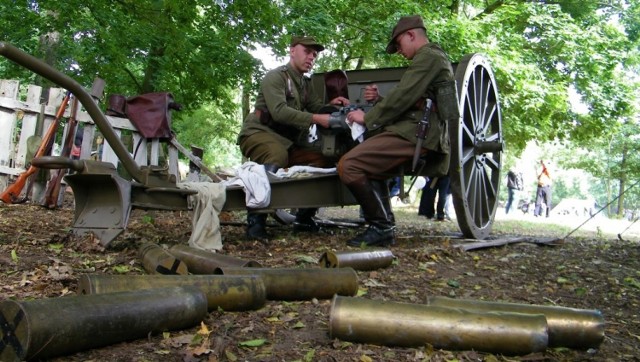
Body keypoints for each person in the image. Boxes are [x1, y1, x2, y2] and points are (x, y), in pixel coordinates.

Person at [337, 15, 454, 247]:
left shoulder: (429, 57)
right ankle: (384, 228)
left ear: (411, 35)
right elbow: (412, 98)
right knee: (372, 170)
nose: (399, 51)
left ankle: (381, 227)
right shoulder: (428, 59)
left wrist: (368, 118)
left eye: (399, 45)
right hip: (413, 129)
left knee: (349, 166)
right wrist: (380, 99)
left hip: (417, 133)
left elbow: (403, 97)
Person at [237, 35, 350, 241]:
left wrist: (333, 105)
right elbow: (279, 112)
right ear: (292, 51)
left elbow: (316, 107)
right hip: (258, 133)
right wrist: (318, 118)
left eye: (314, 55)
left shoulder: (305, 84)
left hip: (289, 141)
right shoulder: (276, 77)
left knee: (324, 159)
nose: (311, 58)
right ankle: (255, 222)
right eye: (307, 52)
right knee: (276, 155)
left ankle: (304, 218)